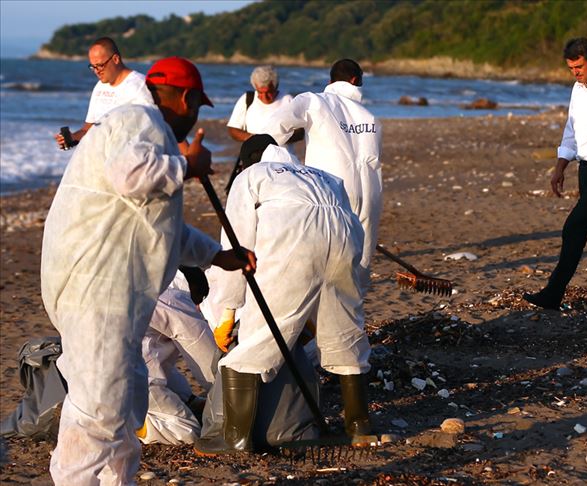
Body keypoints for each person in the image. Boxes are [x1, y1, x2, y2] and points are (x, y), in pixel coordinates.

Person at [40, 56, 254, 484]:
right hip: (96, 290)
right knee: (100, 412)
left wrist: (217, 255)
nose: (194, 116)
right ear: (188, 98)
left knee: (126, 405)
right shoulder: (138, 120)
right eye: (196, 107)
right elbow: (131, 176)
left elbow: (161, 230)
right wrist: (188, 166)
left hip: (114, 293)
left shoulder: (143, 132)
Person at [195, 144, 372, 454]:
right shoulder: (327, 177)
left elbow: (236, 243)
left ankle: (234, 438)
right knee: (345, 329)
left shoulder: (253, 175)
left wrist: (228, 313)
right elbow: (338, 229)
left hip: (295, 235)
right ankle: (359, 427)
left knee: (259, 339)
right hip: (346, 235)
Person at [267, 58, 382, 295]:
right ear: (356, 81)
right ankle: (353, 320)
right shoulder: (369, 116)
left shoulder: (315, 100)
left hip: (331, 192)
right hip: (369, 193)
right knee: (359, 269)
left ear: (330, 81)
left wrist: (283, 165)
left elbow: (272, 127)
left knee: (323, 263)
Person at [523, 38, 587, 310]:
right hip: (586, 170)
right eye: (571, 68)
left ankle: (553, 293)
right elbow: (571, 131)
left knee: (574, 227)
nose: (576, 72)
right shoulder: (577, 89)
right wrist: (559, 167)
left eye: (579, 66)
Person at [136, 270, 220, 446]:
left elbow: (153, 357)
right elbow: (204, 353)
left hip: (88, 374)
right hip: (128, 383)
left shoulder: (143, 283)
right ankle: (132, 425)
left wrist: (188, 398)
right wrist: (225, 392)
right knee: (189, 433)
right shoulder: (176, 300)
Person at [53, 37, 153, 149]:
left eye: (100, 65)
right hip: (100, 160)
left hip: (128, 160)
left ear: (115, 59)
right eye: (93, 67)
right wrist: (71, 138)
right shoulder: (100, 86)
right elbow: (88, 129)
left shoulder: (140, 86)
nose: (96, 71)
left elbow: (154, 132)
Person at [227, 65, 293, 143]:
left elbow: (300, 132)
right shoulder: (247, 99)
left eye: (268, 92)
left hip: (282, 154)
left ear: (276, 87)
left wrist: (275, 139)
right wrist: (254, 139)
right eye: (260, 92)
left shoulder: (288, 100)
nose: (265, 97)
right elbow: (233, 129)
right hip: (253, 153)